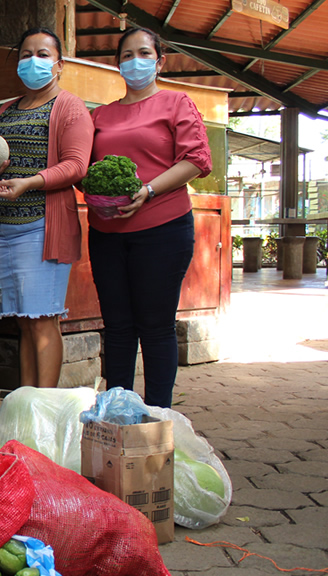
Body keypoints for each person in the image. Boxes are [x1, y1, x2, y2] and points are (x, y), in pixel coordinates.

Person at [88, 27, 212, 408]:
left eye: (144, 53)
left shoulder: (176, 103)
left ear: (159, 62)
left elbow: (196, 160)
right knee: (118, 328)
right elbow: (84, 166)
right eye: (127, 55)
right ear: (118, 64)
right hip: (106, 233)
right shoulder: (100, 115)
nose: (134, 61)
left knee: (156, 327)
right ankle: (117, 414)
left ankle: (159, 417)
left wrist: (149, 190)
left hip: (163, 229)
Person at [0, 28, 93, 388]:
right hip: (5, 228)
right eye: (26, 54)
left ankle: (43, 407)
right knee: (24, 321)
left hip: (41, 228)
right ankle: (26, 402)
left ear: (59, 65)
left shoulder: (69, 106)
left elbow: (76, 165)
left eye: (43, 54)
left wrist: (30, 182)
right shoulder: (6, 110)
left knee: (43, 320)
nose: (34, 61)